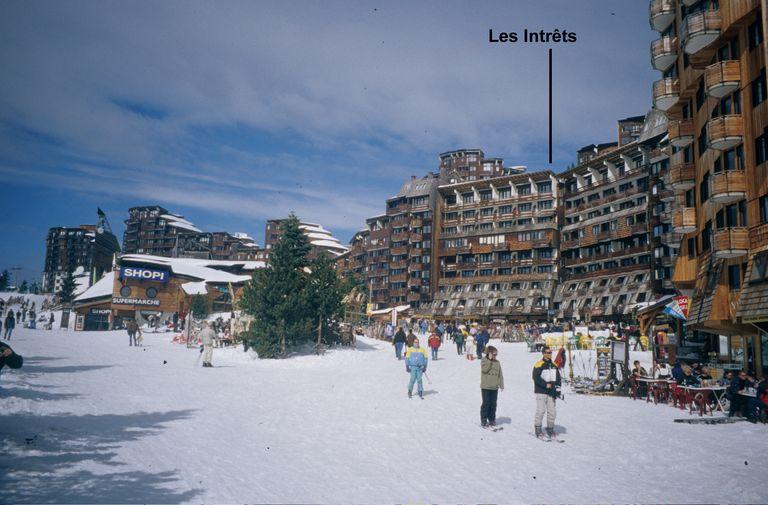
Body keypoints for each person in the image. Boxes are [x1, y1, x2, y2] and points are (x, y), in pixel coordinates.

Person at [532, 346, 561, 441]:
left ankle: (550, 429)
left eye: (551, 352)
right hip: (541, 391)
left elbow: (558, 379)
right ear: (544, 353)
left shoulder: (554, 365)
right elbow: (536, 378)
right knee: (541, 411)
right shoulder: (538, 365)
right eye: (548, 352)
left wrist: (557, 390)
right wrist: (545, 385)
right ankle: (538, 429)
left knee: (552, 412)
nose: (550, 354)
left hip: (551, 392)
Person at [480, 345, 504, 428]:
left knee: (493, 404)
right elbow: (485, 370)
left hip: (494, 387)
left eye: (496, 354)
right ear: (489, 354)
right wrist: (489, 360)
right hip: (486, 387)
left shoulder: (497, 362)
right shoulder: (484, 360)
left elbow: (500, 374)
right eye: (494, 354)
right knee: (486, 403)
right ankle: (483, 420)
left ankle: (492, 419)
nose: (495, 356)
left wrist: (501, 384)